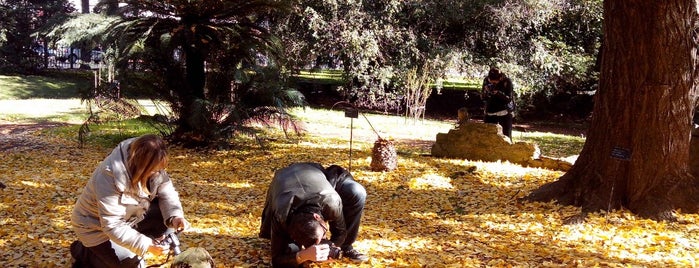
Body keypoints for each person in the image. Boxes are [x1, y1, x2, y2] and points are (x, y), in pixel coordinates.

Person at [70, 134, 190, 268]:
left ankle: (127, 243)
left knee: (167, 225)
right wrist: (146, 245)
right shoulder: (108, 176)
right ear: (141, 167)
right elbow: (113, 225)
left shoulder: (152, 158)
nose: (157, 173)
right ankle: (83, 250)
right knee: (130, 262)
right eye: (153, 171)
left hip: (129, 216)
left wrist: (175, 216)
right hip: (94, 228)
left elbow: (166, 191)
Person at [259, 162, 368, 267]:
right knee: (292, 252)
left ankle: (346, 247)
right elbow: (277, 260)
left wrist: (331, 247)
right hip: (284, 180)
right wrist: (302, 255)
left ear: (318, 217)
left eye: (323, 234)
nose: (323, 238)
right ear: (292, 233)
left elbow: (340, 233)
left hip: (315, 174)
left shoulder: (331, 202)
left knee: (357, 192)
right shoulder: (281, 215)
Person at [481, 67, 515, 138]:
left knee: (506, 137)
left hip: (504, 113)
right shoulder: (486, 81)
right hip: (490, 112)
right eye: (491, 81)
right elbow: (483, 98)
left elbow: (509, 99)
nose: (493, 83)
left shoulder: (507, 82)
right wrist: (486, 92)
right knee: (488, 137)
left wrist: (499, 93)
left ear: (500, 78)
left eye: (495, 81)